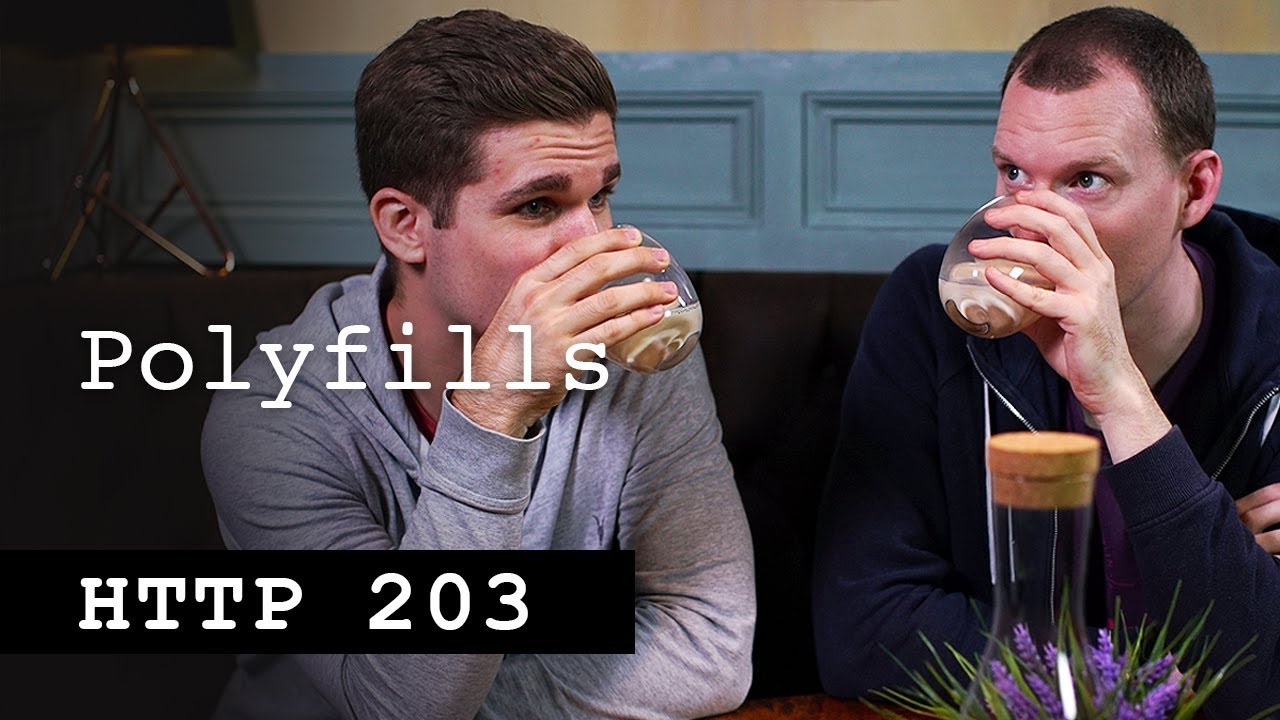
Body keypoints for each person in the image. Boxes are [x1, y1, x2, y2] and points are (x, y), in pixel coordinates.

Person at [201, 10, 754, 719]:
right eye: (537, 205)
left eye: (600, 196)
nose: (594, 245)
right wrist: (491, 413)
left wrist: (441, 695)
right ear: (405, 226)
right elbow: (404, 706)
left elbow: (711, 643)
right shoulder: (271, 414)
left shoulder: (632, 340)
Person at [813, 6, 1280, 717]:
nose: (1032, 226)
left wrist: (1119, 395)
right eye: (1013, 173)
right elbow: (864, 632)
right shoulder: (929, 312)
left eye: (1087, 180)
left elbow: (1260, 681)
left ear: (1194, 189)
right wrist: (1160, 672)